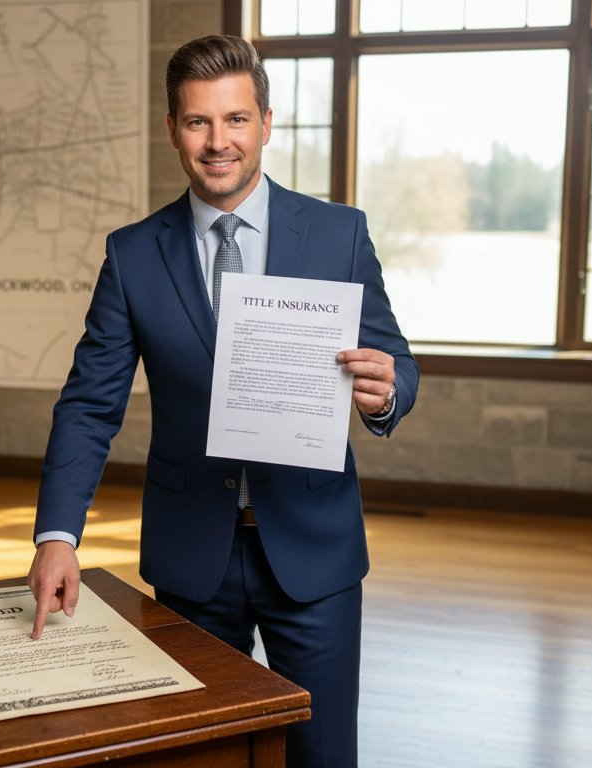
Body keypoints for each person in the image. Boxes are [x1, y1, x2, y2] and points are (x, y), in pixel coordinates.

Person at [26, 34, 418, 768]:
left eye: (235, 120)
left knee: (322, 758)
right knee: (197, 759)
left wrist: (385, 392)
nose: (218, 142)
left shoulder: (339, 234)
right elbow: (88, 405)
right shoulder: (132, 254)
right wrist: (57, 536)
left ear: (266, 123)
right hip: (190, 556)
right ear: (173, 129)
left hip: (314, 549)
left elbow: (396, 360)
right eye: (198, 122)